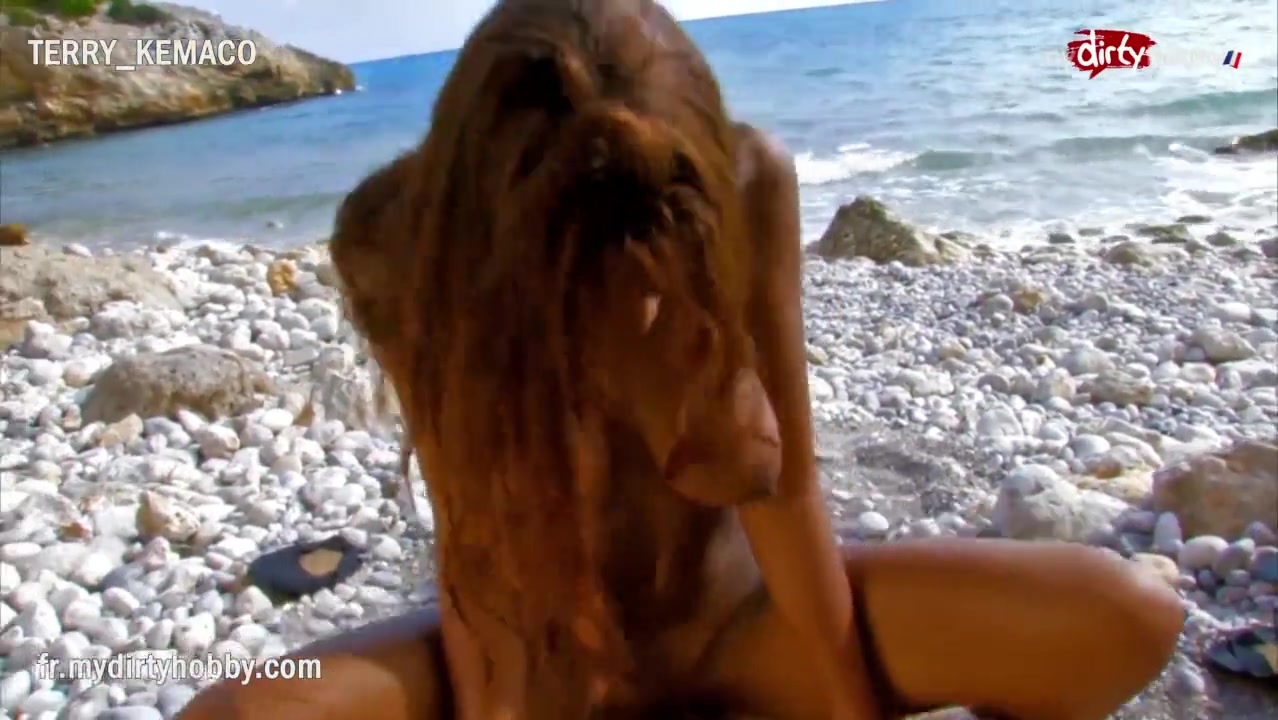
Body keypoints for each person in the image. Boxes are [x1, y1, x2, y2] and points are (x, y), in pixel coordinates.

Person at [176, 1, 1184, 718]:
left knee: (1123, 618)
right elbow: (475, 551)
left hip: (743, 628)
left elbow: (788, 495)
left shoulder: (743, 178)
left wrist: (849, 706)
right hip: (550, 653)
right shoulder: (399, 251)